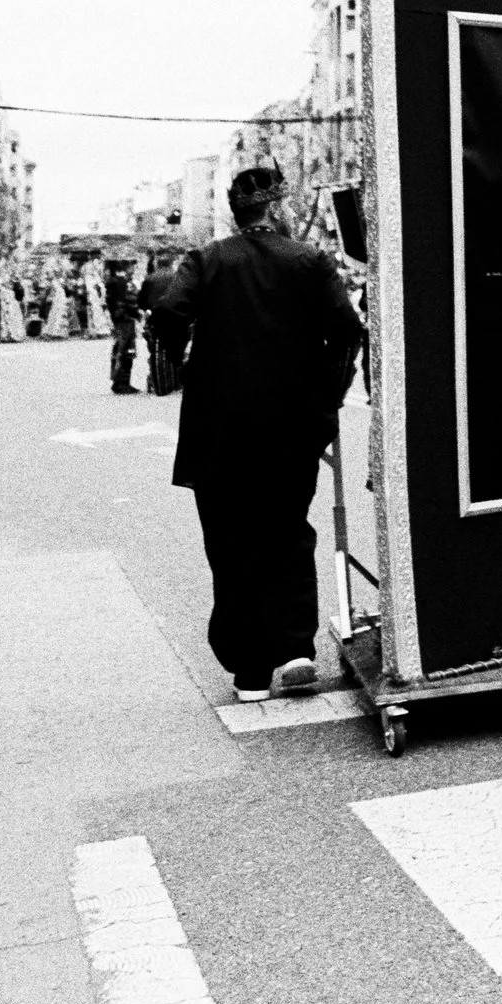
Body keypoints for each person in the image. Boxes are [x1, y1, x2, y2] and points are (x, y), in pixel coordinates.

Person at [151, 168, 364, 703]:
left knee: (230, 542)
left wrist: (177, 367)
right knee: (287, 532)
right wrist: (331, 395)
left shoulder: (208, 259)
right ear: (278, 206)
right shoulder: (309, 260)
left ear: (236, 211)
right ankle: (294, 650)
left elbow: (169, 311)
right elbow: (347, 331)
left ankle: (250, 671)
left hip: (218, 427)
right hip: (292, 424)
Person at [140, 254, 181, 394]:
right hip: (175, 316)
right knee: (177, 347)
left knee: (154, 348)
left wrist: (146, 309)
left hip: (155, 316)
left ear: (157, 264)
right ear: (171, 263)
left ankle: (156, 381)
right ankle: (176, 380)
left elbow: (142, 300)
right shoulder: (178, 276)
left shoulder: (149, 278)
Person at [107, 261, 141, 394]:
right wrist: (138, 314)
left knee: (118, 350)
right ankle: (123, 383)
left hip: (118, 321)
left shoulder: (111, 283)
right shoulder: (126, 284)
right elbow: (131, 303)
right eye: (133, 267)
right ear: (127, 268)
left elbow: (110, 303)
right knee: (127, 351)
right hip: (127, 320)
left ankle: (117, 381)